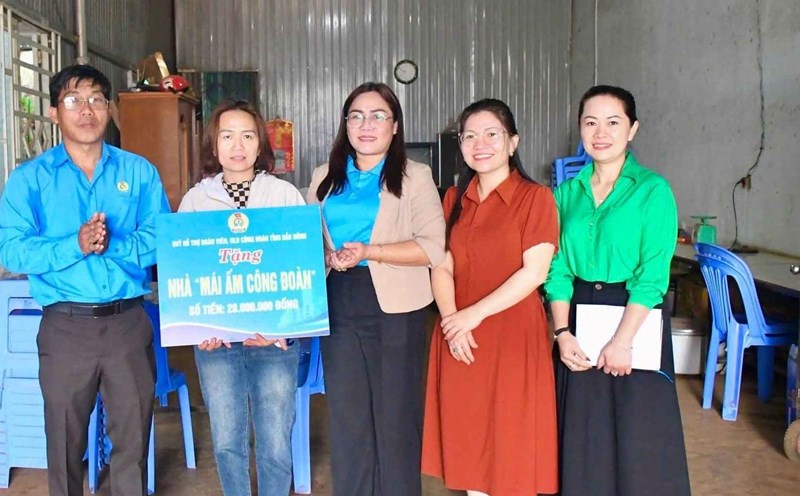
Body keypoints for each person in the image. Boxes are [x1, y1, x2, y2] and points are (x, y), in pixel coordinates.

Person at [0, 64, 170, 496]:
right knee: (64, 444)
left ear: (109, 109)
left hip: (128, 324)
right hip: (64, 327)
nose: (86, 110)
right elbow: (12, 249)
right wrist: (73, 245)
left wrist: (111, 245)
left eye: (96, 99)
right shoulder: (29, 180)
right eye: (73, 100)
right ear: (55, 112)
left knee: (132, 445)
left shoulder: (140, 172)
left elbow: (162, 240)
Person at [544, 85, 691, 496]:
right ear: (580, 129)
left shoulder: (652, 190)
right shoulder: (564, 195)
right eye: (591, 122)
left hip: (633, 317)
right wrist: (561, 332)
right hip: (575, 318)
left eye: (613, 122)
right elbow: (556, 270)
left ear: (633, 130)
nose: (601, 132)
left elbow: (652, 275)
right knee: (581, 431)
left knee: (637, 435)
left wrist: (623, 341)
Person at [306, 82, 446, 496]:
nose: (366, 125)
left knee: (396, 416)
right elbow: (306, 240)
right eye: (356, 116)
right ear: (345, 125)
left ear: (395, 125)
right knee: (348, 417)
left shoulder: (416, 176)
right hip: (338, 299)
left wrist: (372, 250)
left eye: (378, 116)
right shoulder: (323, 177)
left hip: (395, 304)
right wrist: (327, 258)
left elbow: (432, 247)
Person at [421, 99, 560, 496]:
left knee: (509, 447)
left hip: (510, 338)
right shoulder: (453, 200)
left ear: (512, 142)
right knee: (469, 445)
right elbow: (442, 266)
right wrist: (452, 322)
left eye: (491, 134)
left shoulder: (536, 199)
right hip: (459, 339)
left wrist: (471, 317)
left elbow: (534, 273)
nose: (479, 143)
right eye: (469, 136)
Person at [177, 99, 305, 496]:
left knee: (275, 444)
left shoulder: (283, 196)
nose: (237, 145)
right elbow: (185, 274)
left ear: (260, 143)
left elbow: (303, 267)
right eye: (227, 136)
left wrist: (288, 326)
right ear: (214, 146)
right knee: (228, 442)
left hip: (274, 342)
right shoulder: (195, 202)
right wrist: (200, 328)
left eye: (247, 135)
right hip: (217, 345)